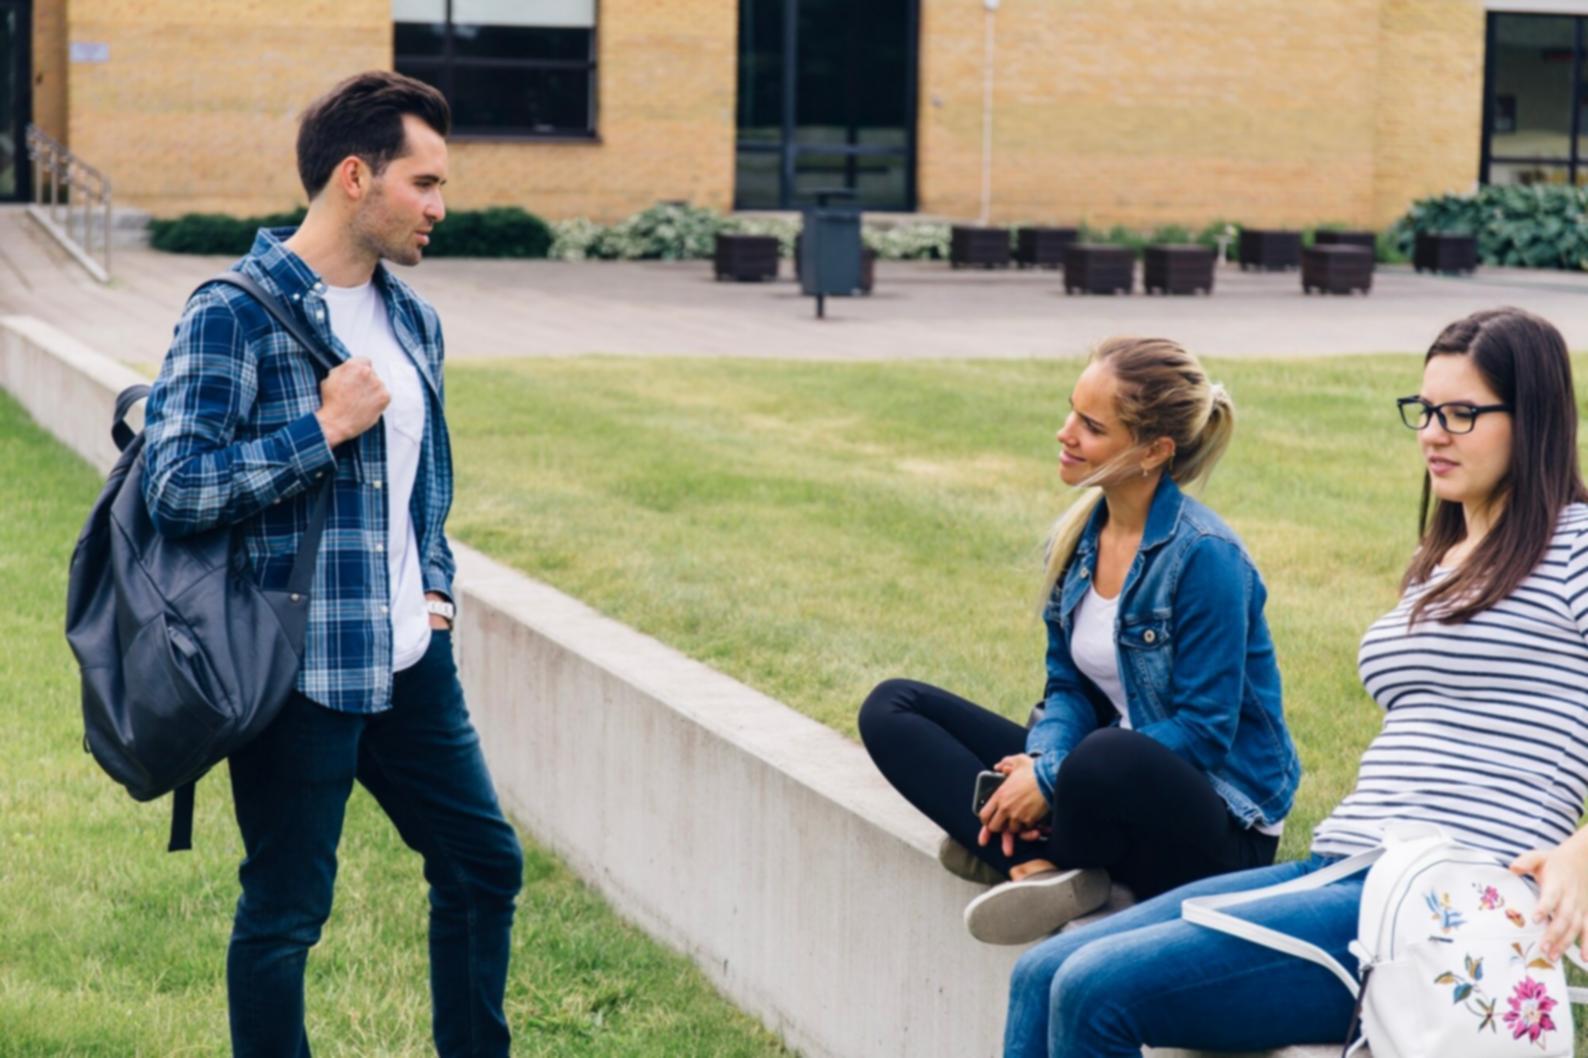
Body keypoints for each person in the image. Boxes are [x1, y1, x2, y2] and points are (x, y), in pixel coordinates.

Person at [1001, 306, 1588, 1058]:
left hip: (1437, 896)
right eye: (1426, 410)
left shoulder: (1572, 548)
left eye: (1462, 414)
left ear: (1533, 419)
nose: (1432, 433)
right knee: (1041, 969)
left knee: (1094, 989)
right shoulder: (1443, 559)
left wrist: (1579, 852)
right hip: (1344, 865)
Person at [140, 71, 522, 1057]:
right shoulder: (236, 311)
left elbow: (424, 484)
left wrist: (434, 589)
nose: (441, 207)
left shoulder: (412, 320)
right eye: (424, 183)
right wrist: (321, 427)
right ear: (356, 176)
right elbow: (173, 487)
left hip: (409, 660)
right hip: (295, 669)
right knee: (285, 912)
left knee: (483, 864)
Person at [858, 337, 1300, 944]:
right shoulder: (1078, 541)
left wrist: (1049, 780)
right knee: (893, 706)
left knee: (1100, 757)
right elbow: (1066, 687)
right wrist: (1043, 763)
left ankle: (996, 840)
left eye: (1091, 426)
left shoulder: (1205, 557)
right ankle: (1034, 868)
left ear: (1153, 451)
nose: (1065, 433)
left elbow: (1204, 730)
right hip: (1101, 787)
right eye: (1072, 411)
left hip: (1218, 829)